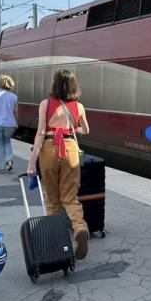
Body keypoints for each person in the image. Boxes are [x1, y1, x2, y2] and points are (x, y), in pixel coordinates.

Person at [27, 69, 90, 260]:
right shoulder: (78, 106)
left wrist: (31, 163)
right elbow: (85, 130)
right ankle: (79, 228)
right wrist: (71, 127)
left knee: (52, 201)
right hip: (70, 149)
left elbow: (39, 133)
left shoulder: (45, 104)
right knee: (70, 198)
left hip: (48, 148)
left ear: (54, 84)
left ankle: (55, 242)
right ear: (73, 85)